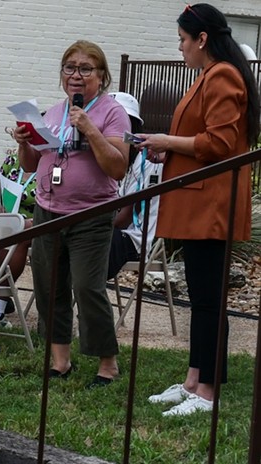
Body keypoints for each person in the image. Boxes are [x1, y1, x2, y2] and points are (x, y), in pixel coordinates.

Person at [137, 4, 260, 416]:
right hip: (199, 203)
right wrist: (165, 150)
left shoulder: (223, 75)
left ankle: (207, 391)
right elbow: (199, 141)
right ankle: (194, 380)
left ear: (202, 39)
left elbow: (220, 145)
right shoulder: (210, 75)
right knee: (201, 297)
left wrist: (167, 142)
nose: (180, 49)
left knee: (208, 300)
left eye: (183, 40)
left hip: (210, 206)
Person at [15, 40, 130, 388]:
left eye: (85, 69)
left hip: (91, 215)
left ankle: (107, 364)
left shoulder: (112, 112)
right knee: (49, 288)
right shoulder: (52, 113)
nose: (76, 75)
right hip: (50, 211)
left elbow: (118, 167)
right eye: (70, 68)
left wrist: (90, 129)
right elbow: (30, 165)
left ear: (101, 76)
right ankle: (60, 362)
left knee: (87, 287)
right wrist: (24, 141)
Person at [107, 92, 162, 279]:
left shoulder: (148, 162)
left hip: (132, 239)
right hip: (108, 229)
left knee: (89, 242)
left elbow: (124, 219)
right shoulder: (110, 158)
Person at [0, 149, 36, 327]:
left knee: (16, 235)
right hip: (6, 222)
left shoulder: (52, 163)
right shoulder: (11, 161)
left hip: (37, 223)